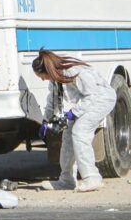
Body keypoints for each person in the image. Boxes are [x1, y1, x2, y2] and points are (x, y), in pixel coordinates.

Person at [32, 49, 117, 192]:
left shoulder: (75, 72)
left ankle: (92, 178)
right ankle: (66, 180)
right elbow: (52, 100)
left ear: (48, 70)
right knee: (68, 136)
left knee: (80, 132)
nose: (42, 79)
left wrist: (73, 113)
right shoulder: (55, 78)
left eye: (42, 76)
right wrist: (45, 121)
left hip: (102, 100)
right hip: (88, 102)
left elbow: (92, 96)